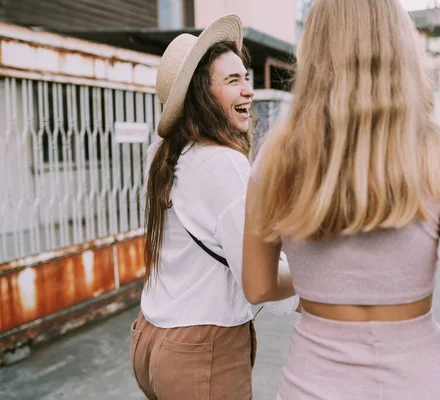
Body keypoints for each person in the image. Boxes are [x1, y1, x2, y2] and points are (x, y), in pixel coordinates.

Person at [241, 0, 440, 399]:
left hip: (311, 385)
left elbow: (258, 287)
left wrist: (320, 281)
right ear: (400, 47)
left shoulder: (276, 156)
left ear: (314, 49)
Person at [130, 14, 299, 400]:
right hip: (202, 353)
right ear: (202, 96)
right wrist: (323, 279)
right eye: (233, 81)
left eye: (246, 78)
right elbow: (260, 281)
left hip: (151, 337)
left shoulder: (163, 153)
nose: (249, 91)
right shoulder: (222, 163)